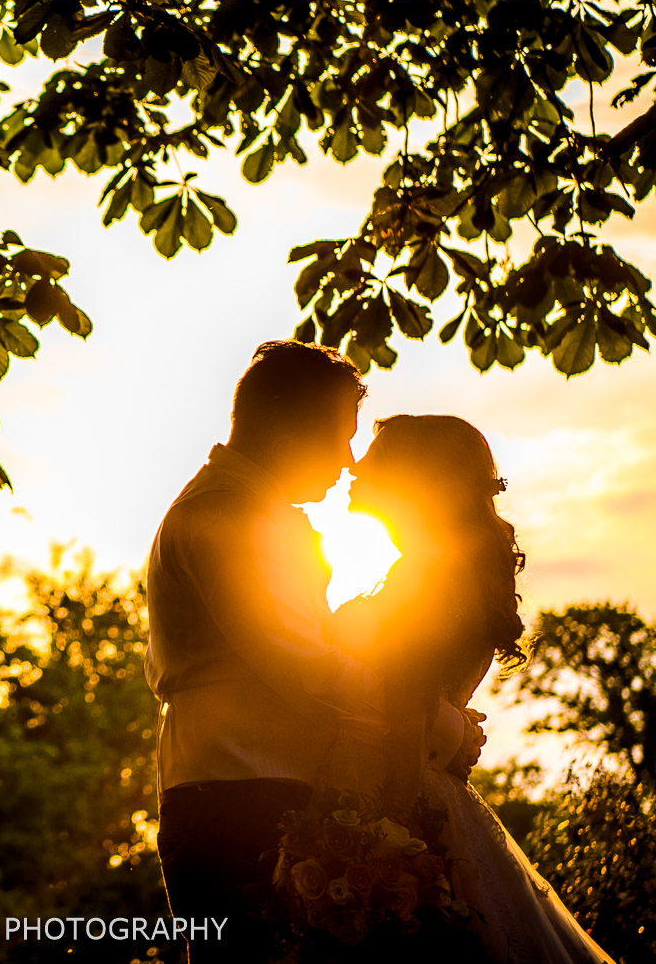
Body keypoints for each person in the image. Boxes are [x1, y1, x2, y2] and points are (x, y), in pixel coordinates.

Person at [145, 343, 483, 962]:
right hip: (242, 791)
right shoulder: (232, 516)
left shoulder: (243, 510)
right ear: (292, 427)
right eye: (339, 435)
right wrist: (435, 720)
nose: (348, 459)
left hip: (244, 786)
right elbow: (307, 668)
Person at [321, 414, 614, 964]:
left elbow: (407, 712)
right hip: (421, 785)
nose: (356, 466)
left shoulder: (425, 578)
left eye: (377, 457)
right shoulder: (442, 570)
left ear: (417, 478)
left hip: (389, 790)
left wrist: (392, 828)